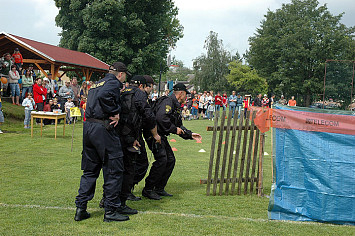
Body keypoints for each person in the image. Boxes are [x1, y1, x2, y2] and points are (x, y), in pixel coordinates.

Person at [74, 62, 130, 222]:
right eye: (125, 75)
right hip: (102, 128)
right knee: (114, 169)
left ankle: (81, 208)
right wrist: (115, 112)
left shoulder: (97, 82)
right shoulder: (113, 83)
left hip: (89, 127)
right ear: (120, 74)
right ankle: (111, 210)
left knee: (90, 170)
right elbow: (104, 96)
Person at [142, 83, 202, 200]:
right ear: (181, 93)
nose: (186, 98)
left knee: (170, 160)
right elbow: (161, 118)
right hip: (153, 134)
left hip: (161, 135)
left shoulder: (175, 105)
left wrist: (190, 134)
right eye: (186, 95)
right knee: (162, 160)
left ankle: (159, 188)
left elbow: (178, 125)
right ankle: (148, 189)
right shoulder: (168, 102)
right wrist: (175, 130)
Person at [113, 75, 160, 211]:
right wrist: (155, 134)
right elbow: (148, 115)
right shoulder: (139, 94)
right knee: (135, 166)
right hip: (131, 136)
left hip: (118, 134)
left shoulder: (123, 92)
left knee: (118, 168)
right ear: (141, 86)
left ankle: (112, 197)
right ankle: (124, 195)